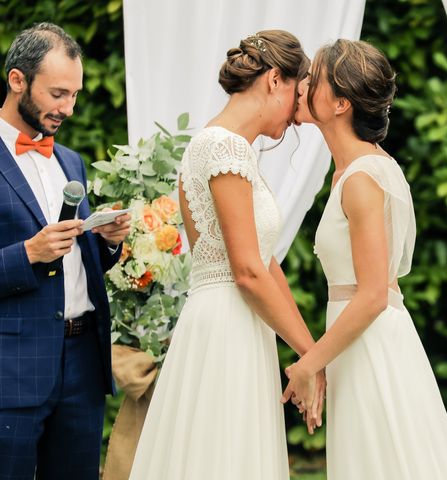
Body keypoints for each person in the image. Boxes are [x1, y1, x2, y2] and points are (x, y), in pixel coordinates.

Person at [130, 30, 325, 480]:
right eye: (298, 95)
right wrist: (310, 357)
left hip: (238, 321)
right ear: (275, 80)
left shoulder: (226, 147)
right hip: (227, 324)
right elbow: (247, 271)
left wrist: (310, 352)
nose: (298, 117)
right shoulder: (224, 148)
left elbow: (265, 261)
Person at [281, 39, 447, 479]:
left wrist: (309, 364)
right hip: (357, 339)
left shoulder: (362, 178)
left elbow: (371, 296)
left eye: (316, 79)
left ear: (340, 103)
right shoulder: (353, 169)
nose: (304, 83)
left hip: (370, 342)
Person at [0, 23, 131, 479]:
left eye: (74, 95)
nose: (69, 109)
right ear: (18, 80)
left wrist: (107, 244)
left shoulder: (69, 159)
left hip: (82, 362)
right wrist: (28, 254)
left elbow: (78, 258)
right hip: (10, 370)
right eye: (58, 94)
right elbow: (37, 252)